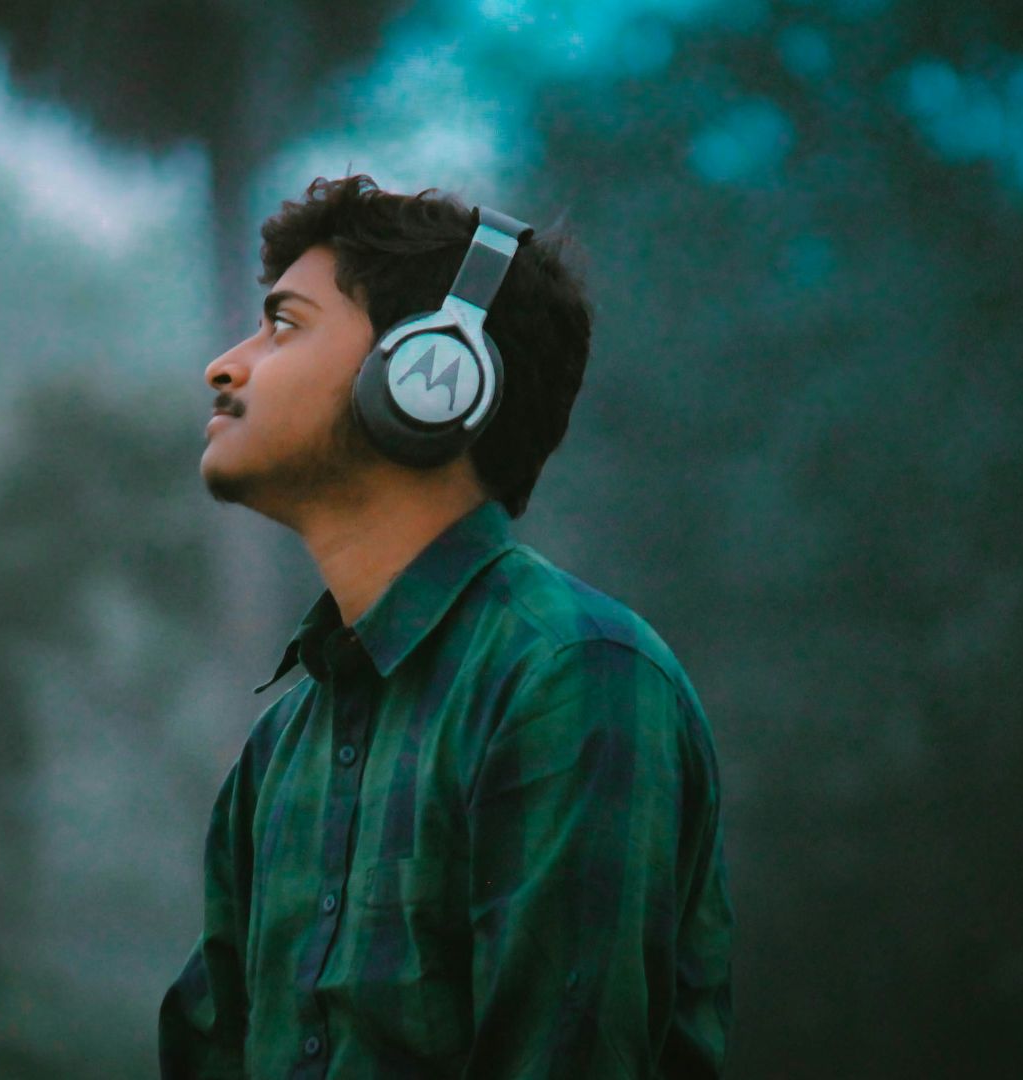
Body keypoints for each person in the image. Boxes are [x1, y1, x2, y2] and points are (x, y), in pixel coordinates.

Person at [160, 174, 732, 1078]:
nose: (225, 366)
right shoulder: (281, 749)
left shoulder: (572, 676)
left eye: (285, 325)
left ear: (432, 373)